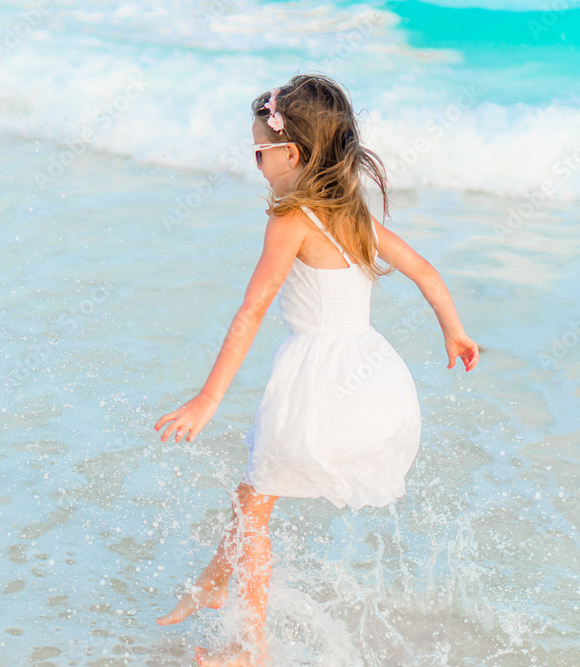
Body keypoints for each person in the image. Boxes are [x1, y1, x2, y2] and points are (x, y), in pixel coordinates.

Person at [153, 74, 480, 666]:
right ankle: (210, 582)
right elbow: (427, 271)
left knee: (256, 509)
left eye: (259, 149)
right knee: (255, 492)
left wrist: (207, 399)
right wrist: (454, 332)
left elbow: (252, 310)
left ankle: (248, 647)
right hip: (373, 380)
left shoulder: (291, 219)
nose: (255, 161)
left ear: (292, 153)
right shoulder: (353, 215)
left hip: (316, 384)